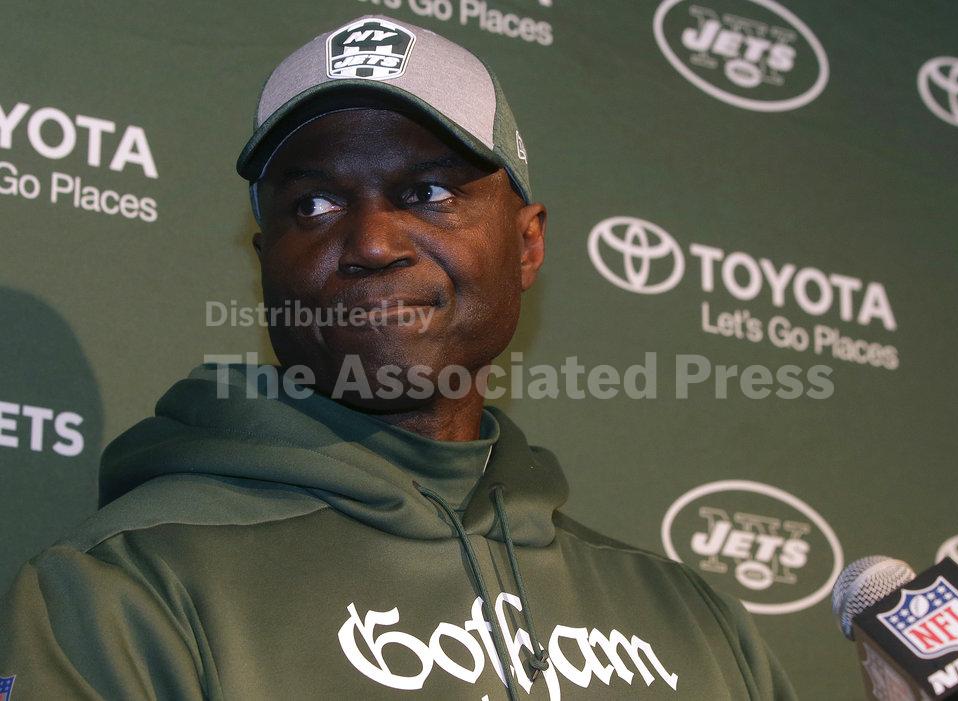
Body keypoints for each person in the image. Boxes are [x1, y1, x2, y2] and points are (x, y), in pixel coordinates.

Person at [0, 15, 795, 700]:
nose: (372, 242)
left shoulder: (693, 617)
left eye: (429, 193)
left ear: (527, 243)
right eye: (313, 204)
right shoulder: (124, 588)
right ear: (265, 257)